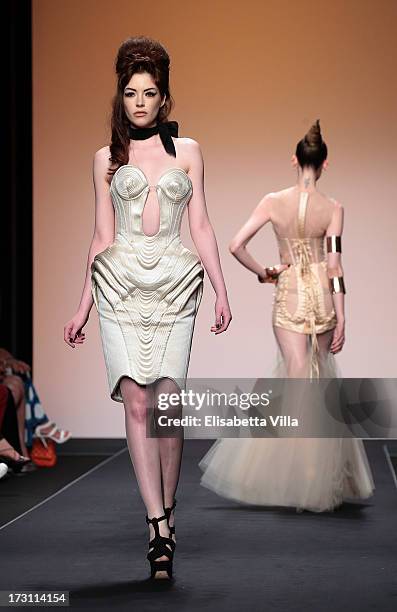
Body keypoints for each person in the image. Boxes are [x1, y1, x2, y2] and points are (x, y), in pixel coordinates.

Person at [63, 36, 231, 579]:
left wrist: (221, 289)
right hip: (120, 286)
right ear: (123, 95)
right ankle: (156, 523)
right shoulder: (105, 158)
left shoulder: (189, 152)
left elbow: (201, 224)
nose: (140, 101)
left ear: (164, 98)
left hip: (176, 285)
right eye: (131, 92)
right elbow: (99, 236)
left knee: (168, 408)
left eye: (150, 92)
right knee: (136, 403)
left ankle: (170, 508)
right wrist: (83, 305)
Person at [199, 120, 374, 513]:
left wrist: (266, 271)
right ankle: (317, 475)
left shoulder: (271, 201)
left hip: (290, 289)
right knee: (319, 379)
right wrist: (343, 316)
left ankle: (294, 477)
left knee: (294, 378)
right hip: (322, 297)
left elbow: (235, 244)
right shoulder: (333, 208)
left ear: (295, 160)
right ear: (325, 164)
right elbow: (334, 268)